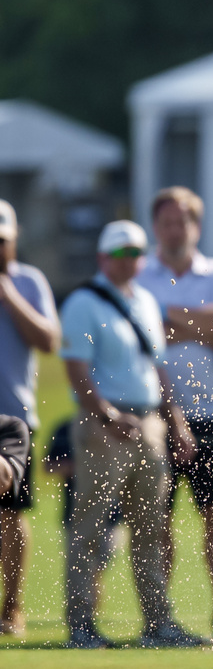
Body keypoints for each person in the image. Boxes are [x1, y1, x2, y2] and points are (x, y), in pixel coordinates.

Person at [60, 220, 202, 649]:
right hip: (104, 427)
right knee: (90, 526)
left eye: (136, 253)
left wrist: (175, 422)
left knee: (151, 528)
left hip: (149, 423)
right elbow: (76, 368)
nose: (130, 260)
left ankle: (159, 622)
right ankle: (81, 625)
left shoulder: (144, 301)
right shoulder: (84, 302)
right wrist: (105, 414)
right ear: (104, 257)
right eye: (121, 253)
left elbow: (157, 369)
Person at [136, 186, 213, 643]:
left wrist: (168, 319)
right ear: (155, 227)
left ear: (195, 226)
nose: (173, 229)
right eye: (165, 222)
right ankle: (161, 617)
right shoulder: (140, 274)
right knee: (157, 520)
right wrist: (198, 325)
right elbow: (144, 336)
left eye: (181, 221)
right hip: (156, 413)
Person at [0, 199, 60, 638]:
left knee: (9, 514)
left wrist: (5, 290)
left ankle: (12, 606)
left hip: (12, 418)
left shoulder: (28, 281)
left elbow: (47, 339)